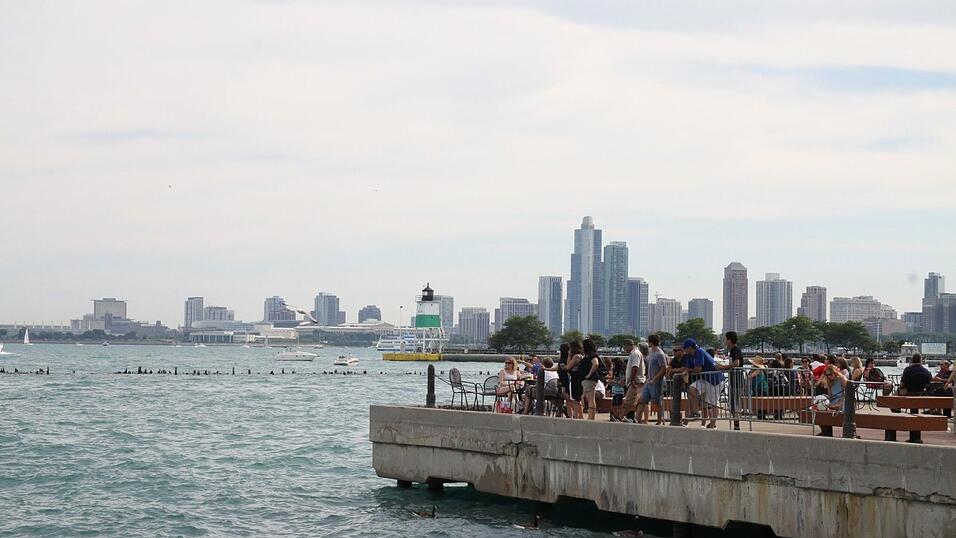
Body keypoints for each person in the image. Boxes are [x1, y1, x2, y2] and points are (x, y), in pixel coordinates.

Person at [682, 338, 722, 429]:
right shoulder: (689, 356)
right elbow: (688, 368)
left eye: (685, 348)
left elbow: (698, 369)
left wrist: (689, 370)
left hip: (714, 380)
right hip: (705, 379)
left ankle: (712, 424)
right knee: (692, 389)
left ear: (689, 348)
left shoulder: (699, 352)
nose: (684, 350)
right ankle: (696, 412)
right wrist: (687, 370)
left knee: (713, 403)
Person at [635, 333, 668, 425]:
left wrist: (655, 378)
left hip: (657, 381)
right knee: (642, 400)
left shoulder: (660, 354)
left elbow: (663, 368)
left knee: (656, 401)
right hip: (649, 380)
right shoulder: (651, 352)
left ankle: (660, 420)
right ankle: (637, 419)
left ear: (650, 342)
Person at [717, 331, 744, 429]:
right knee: (732, 404)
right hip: (734, 380)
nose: (725, 341)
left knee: (734, 404)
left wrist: (724, 367)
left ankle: (737, 425)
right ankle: (736, 424)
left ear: (729, 340)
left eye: (726, 339)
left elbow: (736, 363)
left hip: (737, 380)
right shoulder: (732, 350)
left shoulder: (735, 350)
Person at [577, 338, 602, 420]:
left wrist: (589, 374)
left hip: (589, 379)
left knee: (590, 398)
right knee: (589, 398)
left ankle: (591, 417)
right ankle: (591, 416)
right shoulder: (588, 355)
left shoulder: (592, 355)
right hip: (586, 380)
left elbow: (596, 364)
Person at [621, 339, 646, 422]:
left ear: (628, 345)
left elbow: (635, 367)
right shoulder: (634, 354)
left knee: (627, 402)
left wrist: (632, 380)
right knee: (633, 402)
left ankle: (621, 418)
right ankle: (632, 418)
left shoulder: (635, 354)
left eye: (624, 347)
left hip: (635, 382)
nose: (624, 349)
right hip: (636, 382)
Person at [564, 341, 586, 418]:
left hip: (575, 378)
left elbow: (568, 367)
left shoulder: (576, 356)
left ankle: (578, 415)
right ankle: (579, 415)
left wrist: (569, 355)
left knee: (575, 398)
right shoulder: (581, 355)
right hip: (579, 378)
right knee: (578, 398)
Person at [608, 357, 627, 421]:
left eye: (614, 364)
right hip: (614, 390)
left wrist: (613, 382)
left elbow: (622, 383)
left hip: (619, 391)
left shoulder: (621, 372)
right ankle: (616, 416)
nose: (613, 366)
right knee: (613, 405)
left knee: (618, 405)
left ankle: (619, 417)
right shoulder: (615, 372)